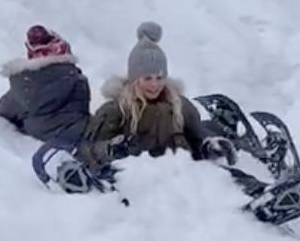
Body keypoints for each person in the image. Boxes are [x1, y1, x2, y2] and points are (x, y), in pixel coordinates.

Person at [81, 23, 234, 169]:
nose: (154, 84)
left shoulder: (179, 105)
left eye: (159, 78)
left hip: (185, 178)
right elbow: (88, 150)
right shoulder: (116, 110)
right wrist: (111, 149)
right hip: (144, 185)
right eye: (147, 78)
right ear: (135, 79)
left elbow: (196, 136)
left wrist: (209, 146)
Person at [0, 25, 91, 147]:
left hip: (39, 138)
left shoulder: (24, 84)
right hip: (78, 136)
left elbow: (2, 111)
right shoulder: (77, 80)